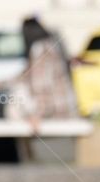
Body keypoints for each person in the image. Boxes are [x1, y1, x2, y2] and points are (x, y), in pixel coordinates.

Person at [11, 17, 77, 159]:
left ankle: (21, 155)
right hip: (66, 109)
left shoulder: (40, 49)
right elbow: (25, 76)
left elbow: (42, 87)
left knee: (16, 93)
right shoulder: (54, 45)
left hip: (52, 112)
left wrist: (36, 115)